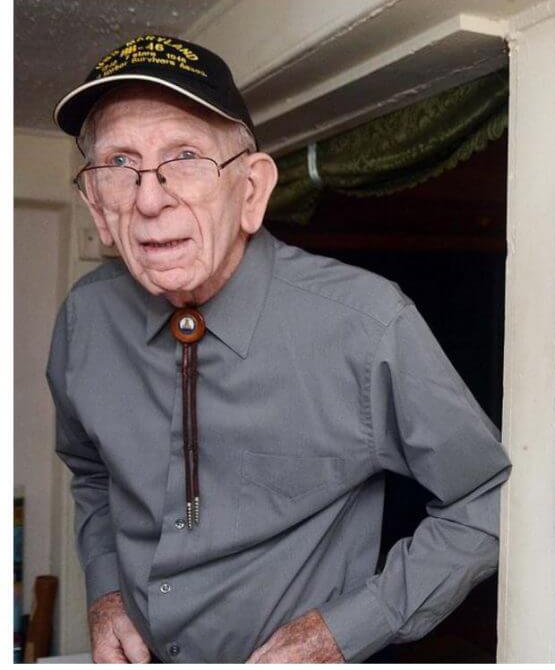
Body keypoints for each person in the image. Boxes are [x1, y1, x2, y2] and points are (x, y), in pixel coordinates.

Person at [46, 35, 511, 663]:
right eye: (120, 166)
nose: (149, 199)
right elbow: (92, 473)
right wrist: (105, 592)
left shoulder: (367, 323)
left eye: (185, 157)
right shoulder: (85, 318)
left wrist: (346, 629)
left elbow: (485, 501)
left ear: (252, 190)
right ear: (96, 206)